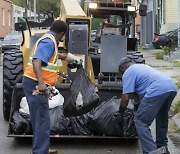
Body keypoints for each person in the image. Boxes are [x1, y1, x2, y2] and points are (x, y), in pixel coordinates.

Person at [22, 20, 82, 154]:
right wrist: (41, 83)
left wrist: (69, 58)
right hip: (35, 84)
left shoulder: (48, 40)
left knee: (40, 118)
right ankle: (40, 151)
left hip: (32, 82)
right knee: (42, 119)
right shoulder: (49, 41)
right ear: (62, 33)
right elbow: (37, 60)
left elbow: (52, 56)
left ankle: (41, 148)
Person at [118, 57, 177, 154]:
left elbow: (125, 98)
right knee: (162, 118)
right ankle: (162, 147)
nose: (122, 74)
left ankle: (152, 151)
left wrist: (120, 112)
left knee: (140, 121)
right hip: (171, 87)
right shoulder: (141, 67)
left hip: (157, 90)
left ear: (123, 67)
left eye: (121, 72)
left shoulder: (128, 72)